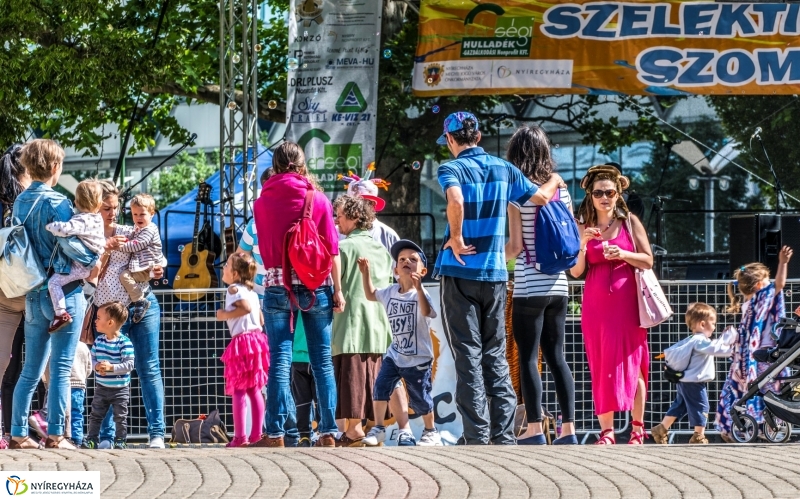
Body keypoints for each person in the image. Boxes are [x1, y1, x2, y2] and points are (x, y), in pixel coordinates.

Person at [433, 111, 562, 445]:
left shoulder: (451, 168)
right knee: (496, 353)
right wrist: (556, 179)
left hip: (459, 273)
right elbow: (542, 197)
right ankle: (503, 435)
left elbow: (456, 199)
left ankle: (476, 435)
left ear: (450, 140)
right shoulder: (505, 169)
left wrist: (458, 238)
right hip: (494, 275)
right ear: (477, 136)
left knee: (467, 353)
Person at [250, 141, 342, 448]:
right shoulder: (318, 199)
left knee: (279, 361)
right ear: (302, 164)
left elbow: (264, 249)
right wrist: (337, 290)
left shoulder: (262, 202)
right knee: (322, 362)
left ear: (274, 166)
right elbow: (331, 248)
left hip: (277, 284)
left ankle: (275, 434)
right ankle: (328, 432)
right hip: (317, 286)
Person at [10, 139, 98, 450]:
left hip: (33, 292)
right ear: (55, 168)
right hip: (65, 291)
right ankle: (56, 435)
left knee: (30, 368)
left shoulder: (20, 202)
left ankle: (18, 433)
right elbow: (72, 247)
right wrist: (93, 259)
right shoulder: (59, 203)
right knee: (61, 368)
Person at [568, 165, 654, 445]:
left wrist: (624, 253)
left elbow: (648, 260)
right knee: (601, 364)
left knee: (633, 362)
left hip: (627, 305)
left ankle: (637, 429)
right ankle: (607, 432)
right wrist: (582, 243)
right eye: (598, 193)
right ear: (590, 196)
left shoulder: (629, 222)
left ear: (618, 193)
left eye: (610, 192)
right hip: (595, 308)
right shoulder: (582, 226)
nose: (604, 197)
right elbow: (576, 272)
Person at [505, 124, 578, 445]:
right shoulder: (560, 189)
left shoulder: (516, 191)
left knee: (528, 356)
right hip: (559, 286)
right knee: (557, 357)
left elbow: (516, 247)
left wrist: (490, 257)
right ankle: (568, 432)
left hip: (529, 286)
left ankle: (534, 429)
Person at [93, 180, 166, 449]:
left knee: (149, 369)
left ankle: (157, 433)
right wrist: (105, 247)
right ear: (94, 209)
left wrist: (158, 268)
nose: (112, 213)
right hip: (110, 315)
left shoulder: (132, 231)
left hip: (141, 306)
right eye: (105, 208)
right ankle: (107, 436)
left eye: (115, 207)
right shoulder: (89, 235)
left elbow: (157, 253)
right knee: (108, 374)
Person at [359, 239, 442, 447]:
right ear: (395, 268)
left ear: (422, 271)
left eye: (413, 260)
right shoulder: (389, 292)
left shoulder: (421, 294)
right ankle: (378, 428)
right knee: (380, 386)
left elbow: (426, 312)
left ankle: (431, 431)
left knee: (420, 398)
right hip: (395, 355)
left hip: (418, 358)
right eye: (402, 259)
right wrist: (365, 273)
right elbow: (370, 294)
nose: (406, 261)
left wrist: (420, 289)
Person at [331, 195, 393, 446]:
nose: (336, 221)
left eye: (340, 216)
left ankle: (354, 429)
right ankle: (371, 428)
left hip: (351, 323)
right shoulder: (382, 249)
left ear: (355, 218)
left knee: (351, 376)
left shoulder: (344, 248)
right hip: (378, 324)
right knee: (372, 376)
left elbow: (335, 284)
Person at [715, 247, 793, 440]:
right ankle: (768, 425)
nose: (770, 286)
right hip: (764, 357)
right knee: (774, 391)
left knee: (753, 393)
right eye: (766, 282)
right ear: (759, 285)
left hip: (751, 360)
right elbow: (779, 285)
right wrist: (782, 263)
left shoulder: (749, 305)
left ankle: (742, 425)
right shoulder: (760, 300)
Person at [652, 303, 733, 445]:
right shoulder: (700, 341)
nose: (714, 327)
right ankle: (698, 435)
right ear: (702, 324)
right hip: (694, 382)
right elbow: (716, 349)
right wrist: (731, 345)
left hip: (684, 380)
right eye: (713, 323)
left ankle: (662, 428)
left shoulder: (691, 339)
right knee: (702, 406)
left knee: (680, 406)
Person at [216, 252, 270, 448]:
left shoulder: (233, 289)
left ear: (236, 273)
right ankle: (256, 434)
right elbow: (261, 319)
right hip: (257, 340)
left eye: (227, 265)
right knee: (254, 389)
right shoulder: (253, 292)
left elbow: (245, 308)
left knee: (238, 388)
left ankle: (240, 437)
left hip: (243, 341)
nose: (223, 268)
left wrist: (224, 315)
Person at [0, 144, 31, 445]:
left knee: (10, 367)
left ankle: (10, 432)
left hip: (7, 290)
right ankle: (14, 431)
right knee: (20, 367)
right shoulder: (26, 202)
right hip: (24, 290)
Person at [45, 180, 105, 332]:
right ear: (99, 204)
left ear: (76, 202)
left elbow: (65, 229)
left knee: (54, 283)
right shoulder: (97, 218)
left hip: (80, 266)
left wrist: (50, 227)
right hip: (90, 261)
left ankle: (60, 313)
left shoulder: (82, 220)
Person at [83, 302, 134, 450]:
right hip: (101, 388)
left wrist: (111, 368)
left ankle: (120, 440)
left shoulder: (125, 343)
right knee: (96, 415)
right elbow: (91, 359)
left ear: (110, 322)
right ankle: (92, 439)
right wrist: (97, 366)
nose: (95, 321)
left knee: (120, 417)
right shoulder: (98, 341)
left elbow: (129, 365)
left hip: (120, 389)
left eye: (98, 318)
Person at [116, 194, 163, 323]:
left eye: (142, 214)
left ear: (151, 214)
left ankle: (139, 300)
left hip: (148, 267)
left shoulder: (149, 229)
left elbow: (137, 245)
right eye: (134, 214)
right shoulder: (140, 228)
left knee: (124, 276)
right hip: (146, 266)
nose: (138, 218)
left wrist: (118, 246)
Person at [69, 342, 92, 447]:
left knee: (62, 414)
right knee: (77, 413)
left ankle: (64, 436)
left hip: (61, 386)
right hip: (79, 385)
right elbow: (89, 368)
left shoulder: (56, 344)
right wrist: (83, 377)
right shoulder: (83, 346)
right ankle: (78, 439)